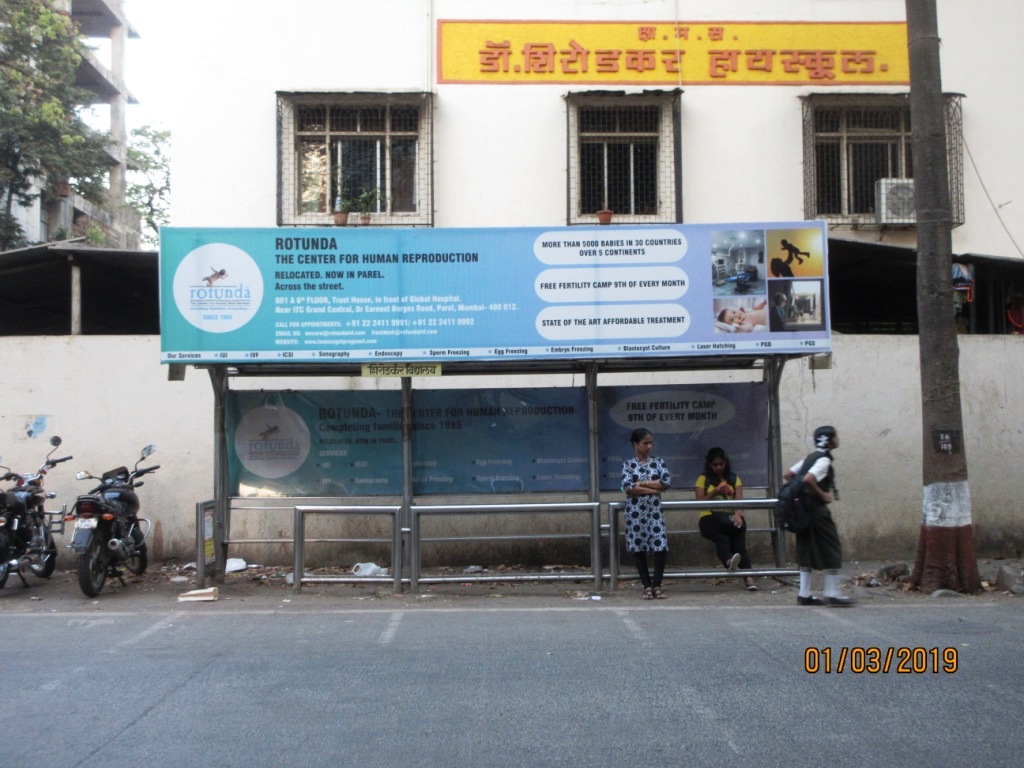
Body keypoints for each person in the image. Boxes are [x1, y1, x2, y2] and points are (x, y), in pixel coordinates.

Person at [784, 425, 853, 607]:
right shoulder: (823, 460)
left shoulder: (809, 458)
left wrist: (800, 494)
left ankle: (804, 593)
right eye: (836, 437)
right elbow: (808, 479)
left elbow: (789, 475)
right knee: (832, 547)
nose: (838, 439)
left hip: (802, 511)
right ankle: (832, 593)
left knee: (805, 549)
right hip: (816, 511)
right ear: (829, 440)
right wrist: (822, 494)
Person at [694, 447, 758, 591]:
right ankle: (729, 561)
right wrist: (716, 491)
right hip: (709, 517)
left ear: (725, 463)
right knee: (722, 538)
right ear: (709, 465)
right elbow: (698, 503)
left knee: (739, 543)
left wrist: (737, 514)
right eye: (715, 465)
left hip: (729, 516)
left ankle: (749, 578)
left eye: (721, 464)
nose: (718, 467)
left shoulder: (734, 478)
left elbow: (739, 500)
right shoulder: (703, 479)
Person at [621, 428, 671, 600]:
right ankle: (646, 585)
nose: (649, 446)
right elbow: (628, 488)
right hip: (635, 512)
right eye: (645, 443)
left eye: (651, 443)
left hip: (654, 511)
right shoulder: (628, 465)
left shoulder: (658, 462)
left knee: (660, 545)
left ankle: (657, 585)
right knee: (638, 547)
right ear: (636, 444)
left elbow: (665, 483)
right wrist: (652, 486)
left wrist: (640, 484)